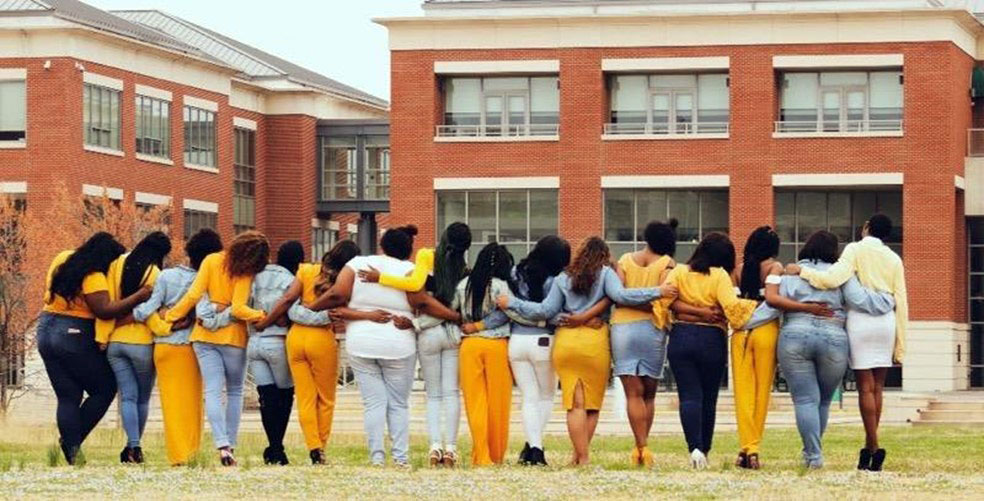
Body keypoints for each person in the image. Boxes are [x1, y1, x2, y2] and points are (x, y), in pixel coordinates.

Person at [498, 236, 674, 466]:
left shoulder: (563, 277)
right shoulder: (606, 274)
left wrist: (512, 303)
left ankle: (581, 458)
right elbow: (621, 297)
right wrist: (658, 291)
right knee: (592, 405)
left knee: (574, 405)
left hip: (566, 343)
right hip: (594, 343)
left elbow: (544, 310)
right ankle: (580, 457)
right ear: (603, 256)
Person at [308, 225, 461, 467]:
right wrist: (454, 316)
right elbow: (422, 301)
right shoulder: (410, 271)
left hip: (361, 342)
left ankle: (377, 458)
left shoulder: (358, 264)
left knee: (373, 403)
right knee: (398, 403)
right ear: (409, 250)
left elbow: (337, 294)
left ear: (383, 245)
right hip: (398, 342)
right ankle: (400, 458)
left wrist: (313, 306)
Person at [746, 230, 895, 469]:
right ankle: (812, 453)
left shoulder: (789, 274)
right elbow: (860, 301)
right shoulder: (841, 275)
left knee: (805, 400)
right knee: (823, 401)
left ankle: (814, 457)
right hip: (834, 337)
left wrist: (741, 322)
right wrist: (889, 299)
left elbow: (771, 308)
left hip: (795, 334)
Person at [786, 214, 908, 471]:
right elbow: (902, 300)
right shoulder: (894, 259)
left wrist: (803, 271)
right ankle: (869, 446)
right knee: (878, 387)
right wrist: (901, 343)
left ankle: (873, 447)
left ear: (866, 228)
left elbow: (832, 278)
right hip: (886, 321)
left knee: (865, 386)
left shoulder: (854, 249)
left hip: (861, 321)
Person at [362, 222, 474, 467]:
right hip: (454, 333)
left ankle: (434, 447)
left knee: (432, 395)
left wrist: (380, 277)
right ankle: (452, 449)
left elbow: (414, 287)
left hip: (428, 331)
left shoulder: (426, 256)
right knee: (452, 393)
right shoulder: (465, 270)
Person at [38, 232, 149, 464]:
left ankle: (73, 452)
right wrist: (139, 296)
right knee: (105, 388)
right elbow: (104, 310)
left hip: (46, 329)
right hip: (73, 333)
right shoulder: (93, 275)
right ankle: (71, 442)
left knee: (68, 396)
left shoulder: (63, 257)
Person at [163, 231, 271, 466]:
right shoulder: (245, 272)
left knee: (212, 392)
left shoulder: (211, 260)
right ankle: (230, 445)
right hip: (233, 338)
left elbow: (193, 295)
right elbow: (239, 309)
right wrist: (261, 314)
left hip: (203, 336)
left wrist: (171, 316)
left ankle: (221, 445)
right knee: (234, 392)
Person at [466, 235, 570, 466]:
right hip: (544, 343)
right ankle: (535, 448)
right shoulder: (555, 280)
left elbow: (504, 309)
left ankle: (532, 448)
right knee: (546, 397)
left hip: (516, 342)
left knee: (529, 398)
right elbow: (548, 312)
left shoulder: (514, 273)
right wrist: (551, 320)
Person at [259, 239, 362, 464]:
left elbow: (287, 299)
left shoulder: (305, 270)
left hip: (295, 337)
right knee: (325, 399)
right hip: (321, 338)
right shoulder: (346, 279)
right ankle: (320, 448)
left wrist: (266, 321)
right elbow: (344, 310)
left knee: (305, 397)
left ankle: (312, 444)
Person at [662, 232, 758, 469]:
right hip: (710, 339)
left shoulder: (679, 272)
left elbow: (667, 300)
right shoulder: (720, 275)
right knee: (708, 399)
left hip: (681, 336)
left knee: (689, 396)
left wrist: (689, 312)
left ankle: (693, 448)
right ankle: (704, 448)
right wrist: (753, 304)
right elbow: (730, 308)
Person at [130, 228, 222, 466]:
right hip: (194, 346)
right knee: (194, 403)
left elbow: (142, 311)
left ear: (189, 252)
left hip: (164, 348)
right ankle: (191, 453)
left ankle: (177, 456)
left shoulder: (166, 276)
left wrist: (163, 319)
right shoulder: (210, 280)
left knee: (171, 405)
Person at [98, 231, 172, 463]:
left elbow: (108, 302)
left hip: (116, 343)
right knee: (141, 399)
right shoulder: (156, 274)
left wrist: (105, 334)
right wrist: (167, 328)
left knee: (127, 397)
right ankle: (134, 449)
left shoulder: (117, 263)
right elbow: (148, 313)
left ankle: (133, 446)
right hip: (142, 344)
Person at [610, 220, 677, 468]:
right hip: (652, 329)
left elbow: (618, 298)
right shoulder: (668, 265)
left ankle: (640, 446)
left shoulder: (625, 261)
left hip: (622, 329)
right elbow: (665, 301)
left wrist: (630, 301)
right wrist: (651, 299)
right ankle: (644, 446)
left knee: (632, 394)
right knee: (649, 394)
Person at [446, 242, 517, 467]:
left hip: (469, 346)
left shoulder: (463, 285)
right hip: (497, 345)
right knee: (498, 402)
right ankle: (496, 454)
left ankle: (481, 455)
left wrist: (464, 329)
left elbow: (452, 311)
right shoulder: (501, 286)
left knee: (475, 402)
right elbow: (508, 314)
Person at [245, 240, 305, 466]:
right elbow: (289, 312)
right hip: (278, 340)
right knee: (285, 395)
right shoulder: (291, 280)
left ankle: (273, 446)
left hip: (255, 342)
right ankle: (277, 448)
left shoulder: (255, 276)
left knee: (266, 398)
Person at [729, 226, 783, 470]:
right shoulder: (775, 268)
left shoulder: (737, 271)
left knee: (743, 394)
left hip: (740, 335)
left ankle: (746, 447)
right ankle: (753, 448)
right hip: (766, 332)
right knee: (762, 393)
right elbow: (774, 303)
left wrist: (744, 321)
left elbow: (731, 304)